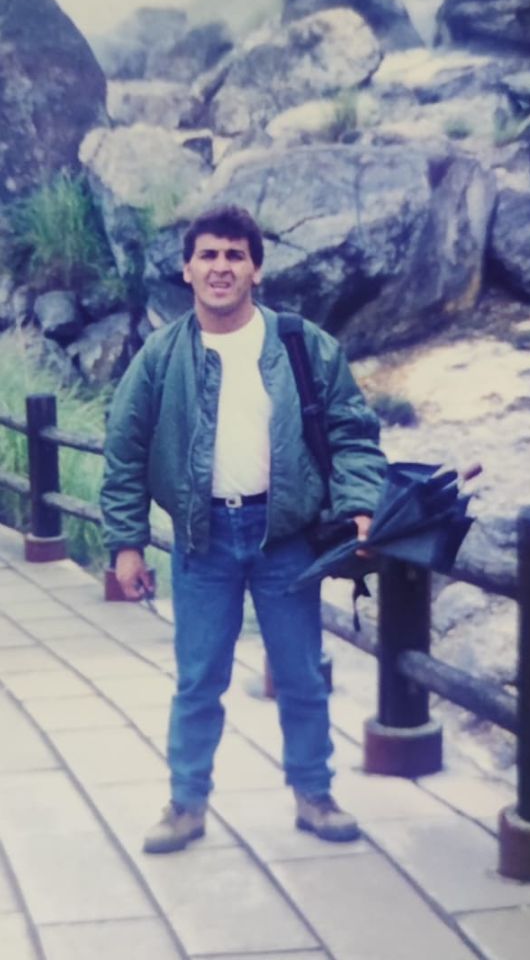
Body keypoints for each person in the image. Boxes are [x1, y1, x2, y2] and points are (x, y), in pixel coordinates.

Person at [101, 205, 386, 853]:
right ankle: (185, 804)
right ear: (187, 269)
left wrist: (360, 504)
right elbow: (125, 452)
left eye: (235, 255)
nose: (221, 267)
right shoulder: (160, 357)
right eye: (208, 255)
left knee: (301, 674)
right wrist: (126, 544)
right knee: (198, 679)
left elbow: (353, 432)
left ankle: (315, 795)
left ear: (257, 269)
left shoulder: (301, 344)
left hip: (284, 537)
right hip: (202, 541)